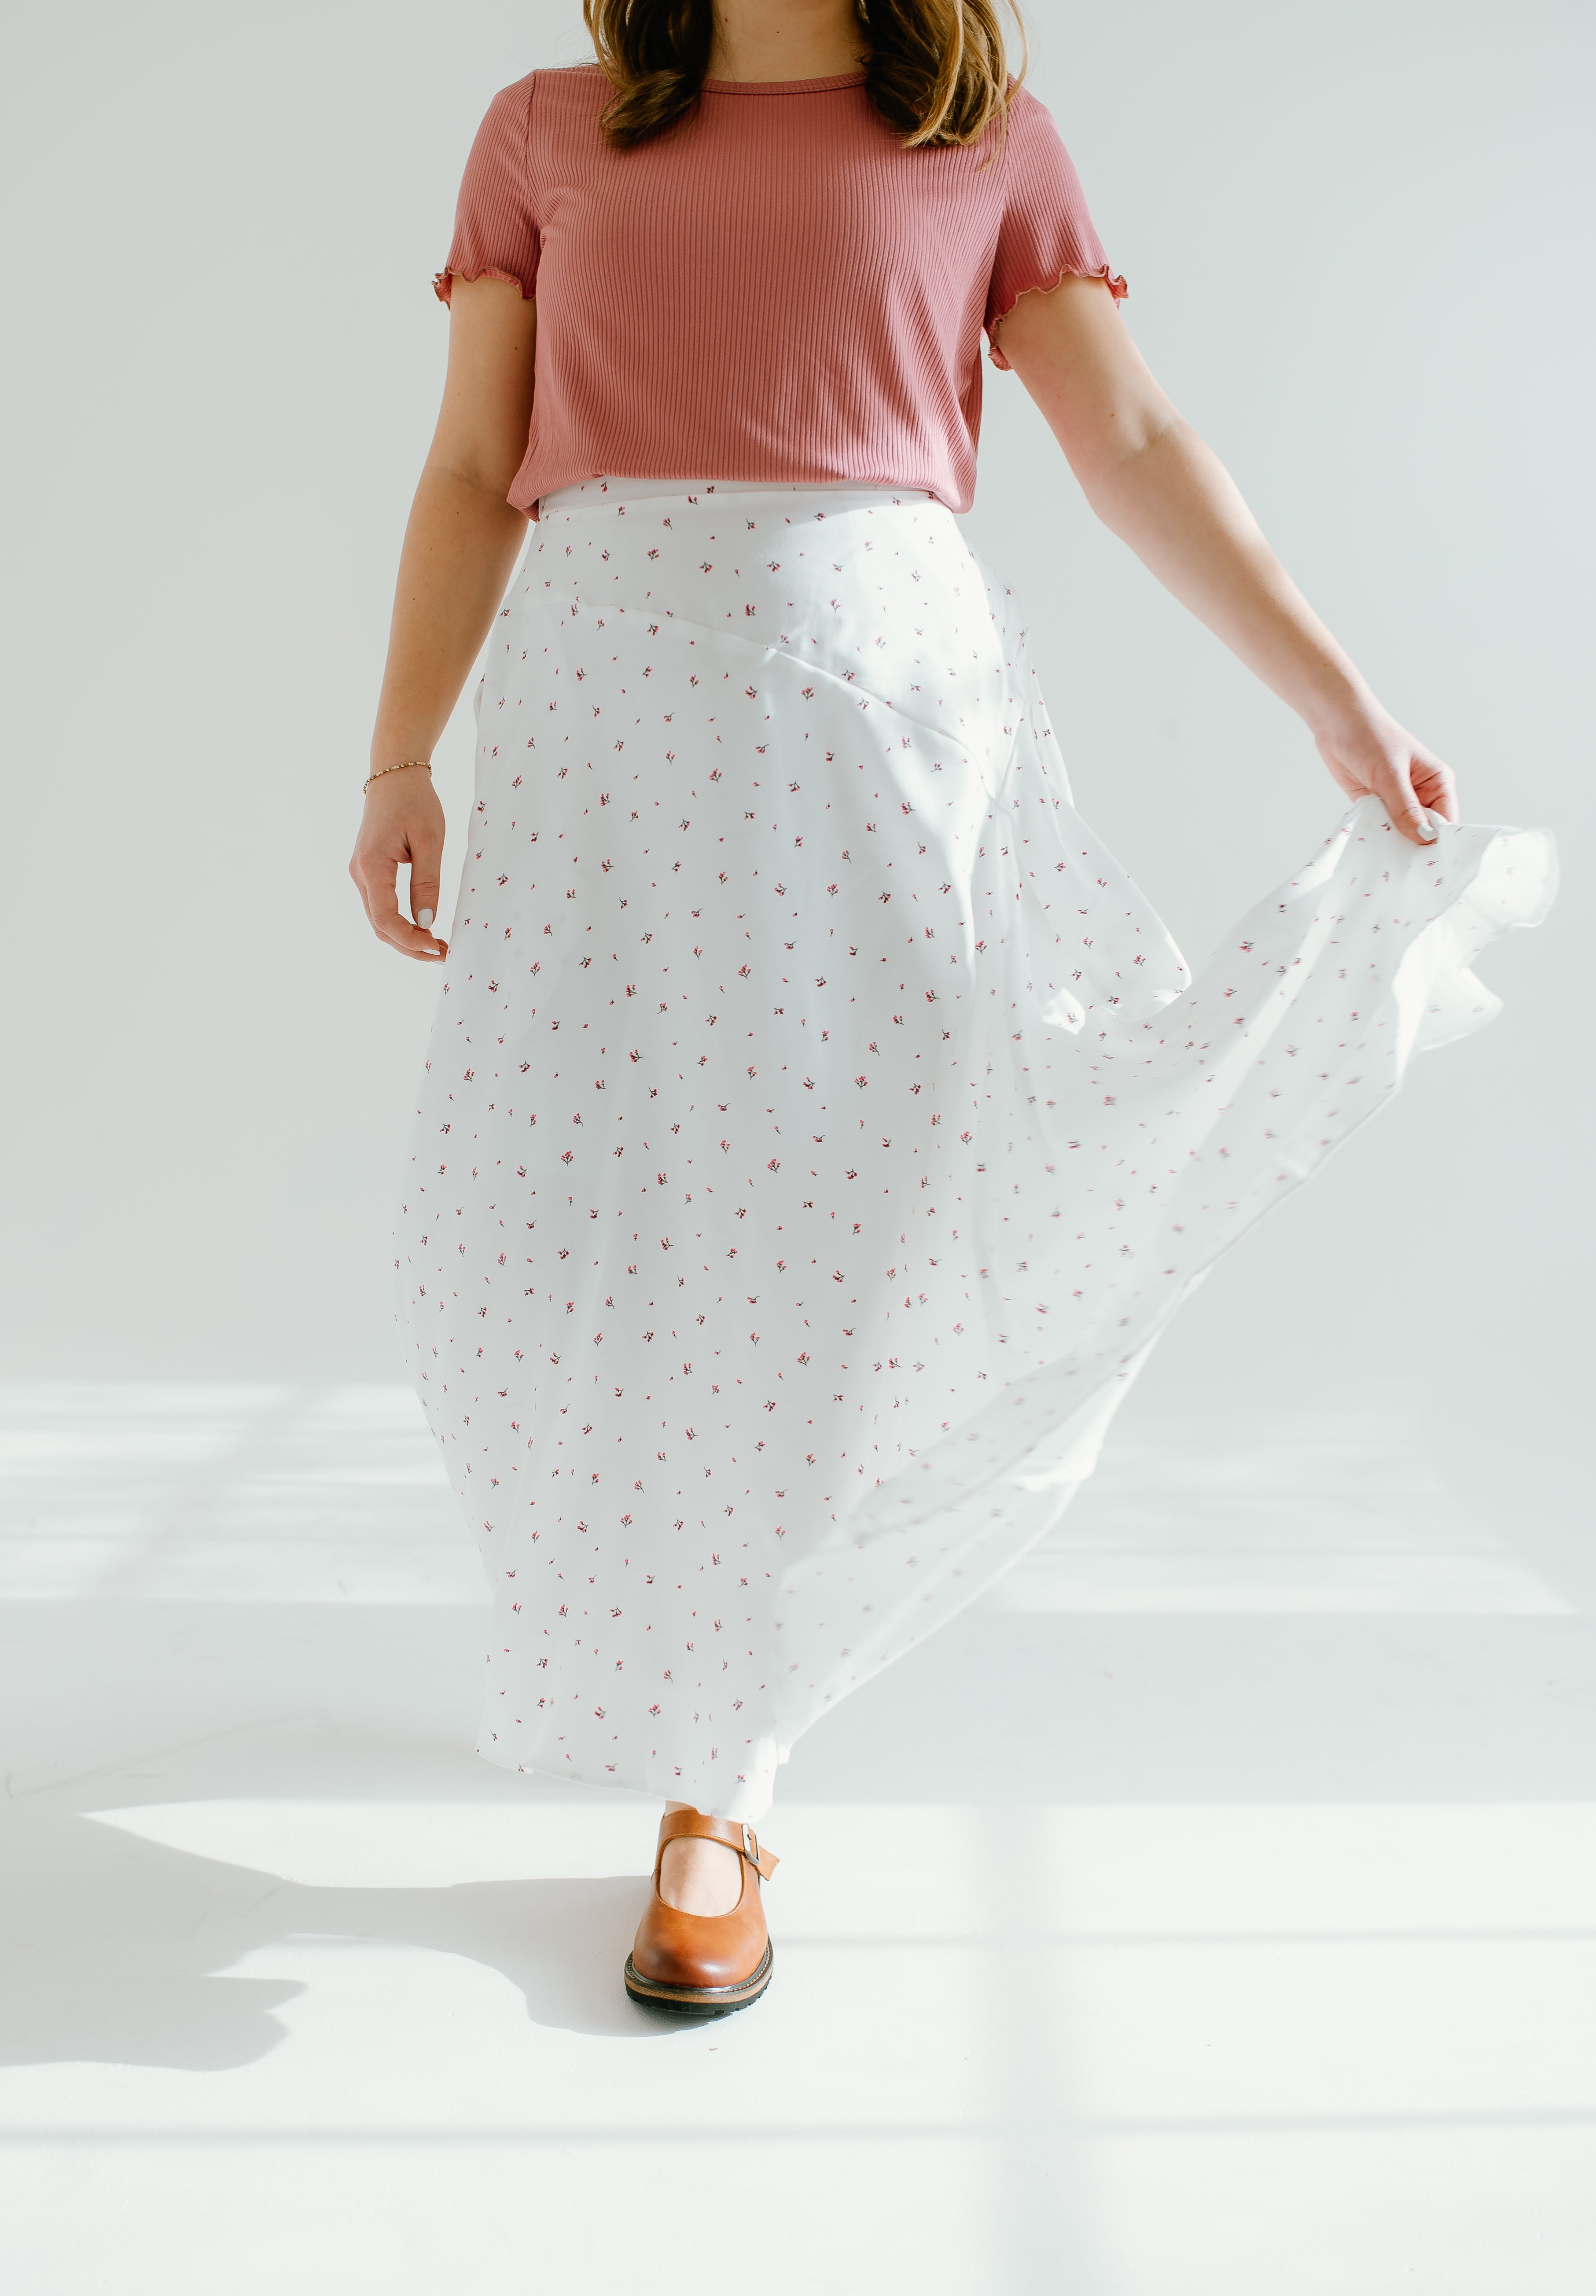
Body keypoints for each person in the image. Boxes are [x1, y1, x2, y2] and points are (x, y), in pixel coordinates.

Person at [349, 0, 1555, 2016]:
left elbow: (1137, 439)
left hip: (879, 743)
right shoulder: (543, 132)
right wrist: (399, 754)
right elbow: (476, 461)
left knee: (826, 1244)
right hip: (599, 749)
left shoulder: (991, 141)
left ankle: (724, 1778)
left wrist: (1336, 696)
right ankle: (658, 1658)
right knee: (530, 1238)